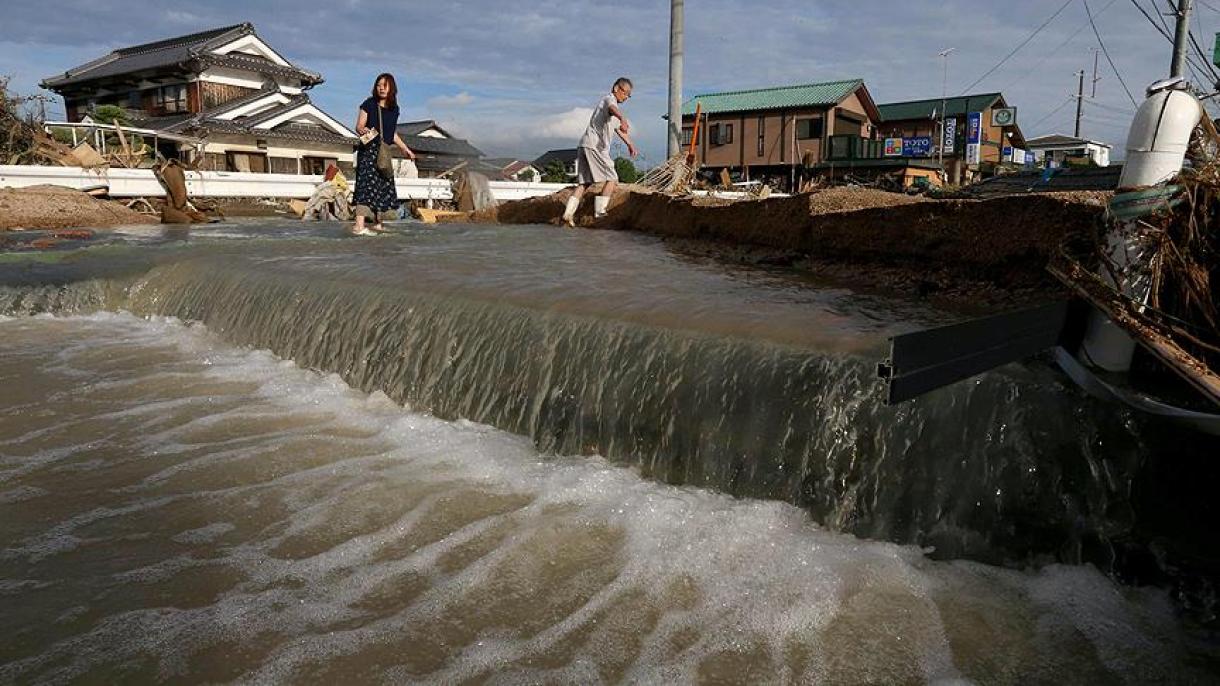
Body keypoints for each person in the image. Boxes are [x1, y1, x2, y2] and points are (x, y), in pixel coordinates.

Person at [561, 77, 638, 227]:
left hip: (585, 145)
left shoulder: (612, 109)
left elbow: (619, 130)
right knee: (612, 178)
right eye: (626, 92)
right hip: (595, 146)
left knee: (584, 183)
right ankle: (600, 213)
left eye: (629, 95)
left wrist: (630, 144)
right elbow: (612, 109)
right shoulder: (609, 100)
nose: (627, 97)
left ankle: (567, 214)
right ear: (616, 88)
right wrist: (622, 117)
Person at [352, 73, 415, 235]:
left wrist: (404, 148)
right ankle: (359, 225)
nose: (381, 88)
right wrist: (363, 130)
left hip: (383, 152)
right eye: (379, 85)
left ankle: (378, 224)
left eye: (385, 85)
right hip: (368, 152)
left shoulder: (395, 110)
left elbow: (391, 133)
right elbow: (359, 126)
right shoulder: (369, 104)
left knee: (382, 186)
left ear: (391, 88)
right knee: (365, 186)